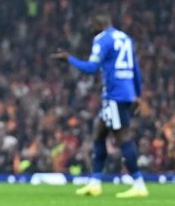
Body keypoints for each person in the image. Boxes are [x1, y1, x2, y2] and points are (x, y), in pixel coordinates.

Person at [52, 13, 148, 199]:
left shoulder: (102, 39)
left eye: (92, 26)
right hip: (125, 92)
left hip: (115, 94)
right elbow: (136, 68)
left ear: (98, 24)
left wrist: (69, 59)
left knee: (122, 137)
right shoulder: (124, 37)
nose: (90, 30)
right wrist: (137, 95)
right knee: (99, 134)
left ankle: (138, 183)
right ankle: (95, 183)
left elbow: (91, 68)